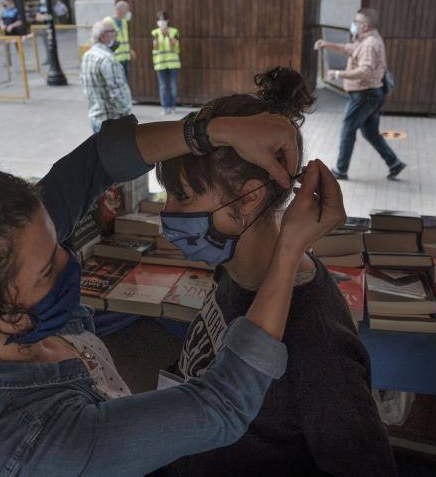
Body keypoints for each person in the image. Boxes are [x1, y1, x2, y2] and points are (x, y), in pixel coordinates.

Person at [0, 102, 347, 476]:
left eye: (55, 239)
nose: (69, 261)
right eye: (47, 270)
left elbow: (92, 165)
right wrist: (288, 253)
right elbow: (223, 405)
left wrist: (212, 131)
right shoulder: (37, 445)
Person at [155, 67, 396, 477]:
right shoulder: (233, 269)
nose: (167, 214)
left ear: (248, 201)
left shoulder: (316, 340)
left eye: (181, 197)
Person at [315, 8, 406, 181]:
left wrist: (337, 74)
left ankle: (340, 170)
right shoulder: (367, 40)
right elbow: (351, 49)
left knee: (348, 130)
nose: (353, 25)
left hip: (365, 95)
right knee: (370, 133)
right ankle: (394, 163)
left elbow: (365, 71)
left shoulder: (370, 44)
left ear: (365, 25)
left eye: (356, 22)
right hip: (372, 94)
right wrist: (327, 44)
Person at [81, 19, 132, 133]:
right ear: (102, 36)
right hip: (110, 121)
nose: (115, 35)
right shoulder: (108, 59)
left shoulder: (87, 55)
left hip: (95, 117)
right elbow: (117, 92)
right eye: (112, 31)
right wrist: (127, 114)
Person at [152, 11, 181, 116]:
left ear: (167, 20)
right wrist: (156, 40)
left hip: (173, 64)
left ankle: (173, 106)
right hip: (160, 63)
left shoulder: (174, 31)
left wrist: (168, 36)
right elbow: (155, 48)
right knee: (163, 86)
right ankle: (165, 107)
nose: (161, 22)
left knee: (173, 86)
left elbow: (174, 46)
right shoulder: (155, 32)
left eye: (163, 19)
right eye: (159, 19)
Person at [105, 0, 136, 80]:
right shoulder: (108, 22)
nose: (128, 12)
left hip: (125, 58)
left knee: (125, 80)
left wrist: (130, 50)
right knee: (117, 81)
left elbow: (124, 39)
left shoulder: (124, 21)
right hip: (115, 58)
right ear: (121, 10)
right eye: (127, 10)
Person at [0, 0, 24, 68]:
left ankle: (22, 61)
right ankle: (8, 62)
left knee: (18, 48)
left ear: (10, 3)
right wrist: (1, 25)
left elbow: (19, 22)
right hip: (7, 34)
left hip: (16, 33)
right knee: (6, 49)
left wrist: (12, 26)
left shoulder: (16, 11)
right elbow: (1, 20)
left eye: (5, 3)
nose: (4, 4)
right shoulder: (4, 11)